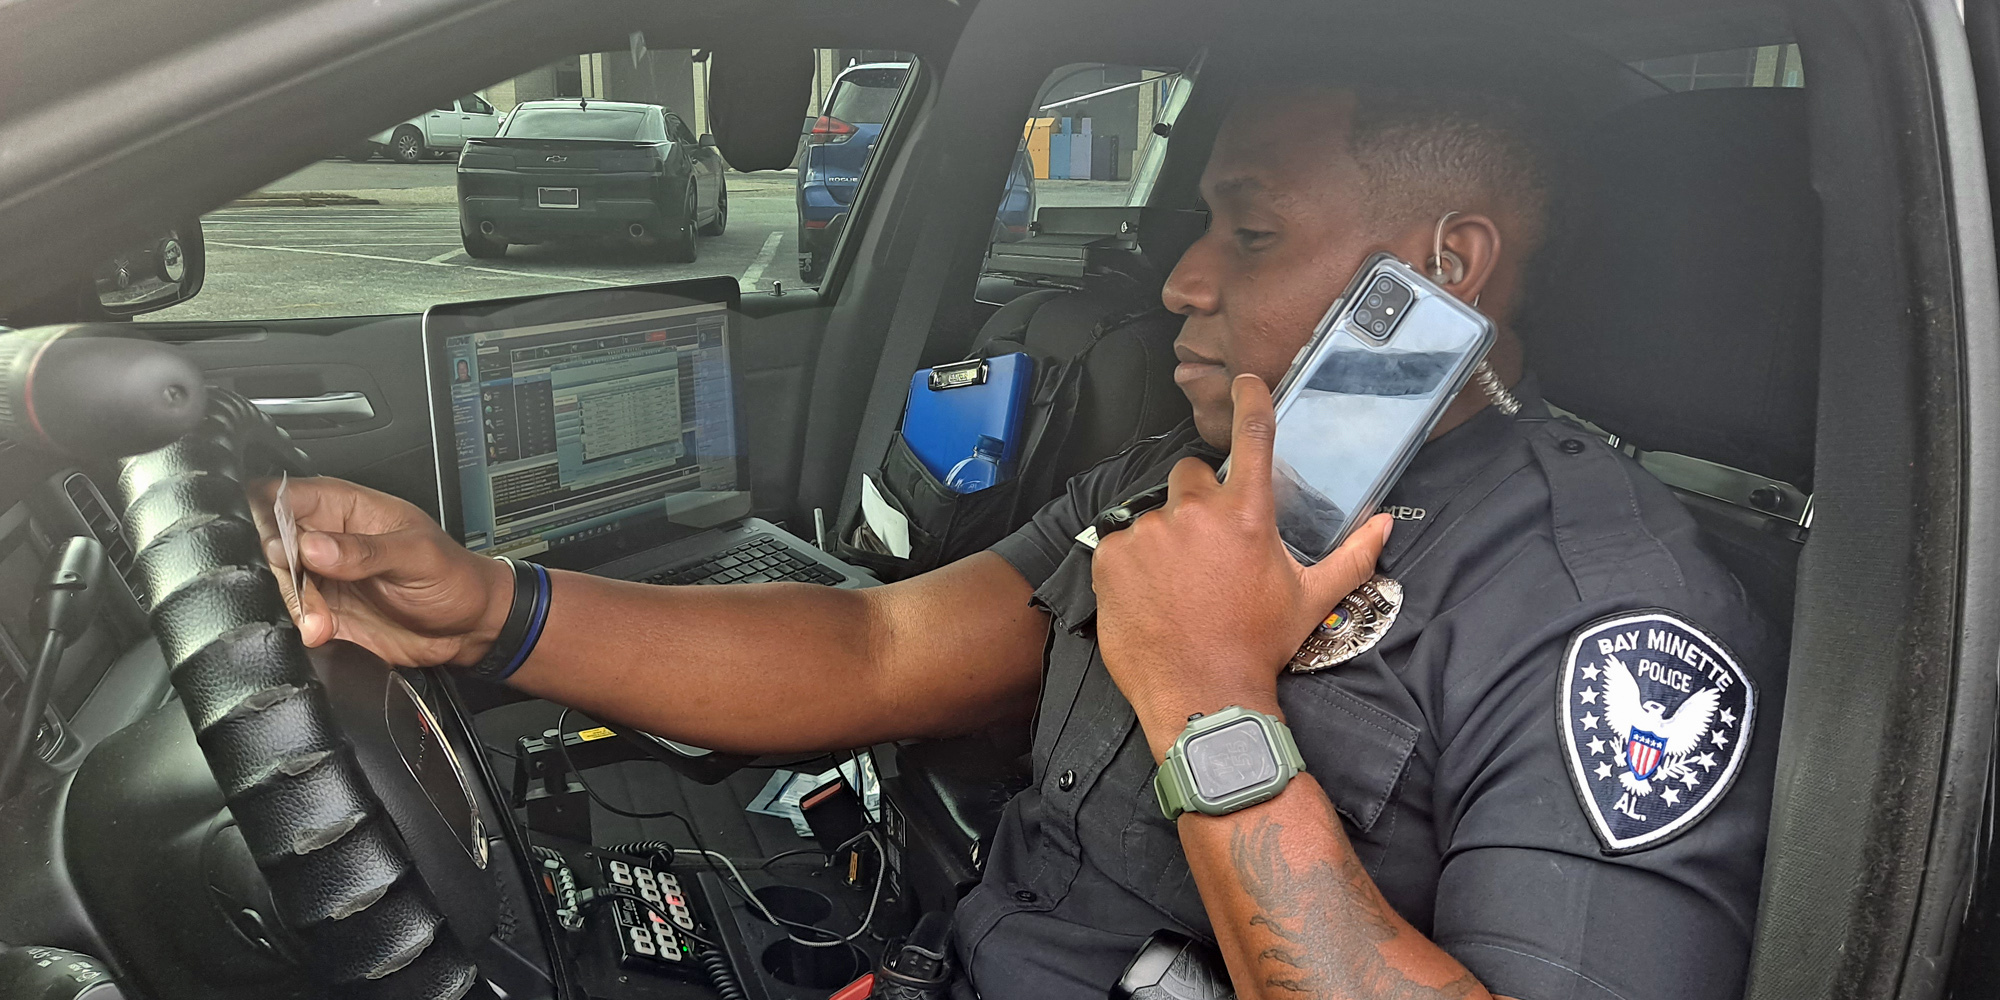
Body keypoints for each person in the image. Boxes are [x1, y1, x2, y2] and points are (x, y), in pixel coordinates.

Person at [261, 79, 1781, 1000]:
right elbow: (880, 644)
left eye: (1248, 235)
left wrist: (1210, 695)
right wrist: (487, 613)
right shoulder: (1173, 480)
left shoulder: (1611, 622)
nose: (1178, 280)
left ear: (1444, 269)